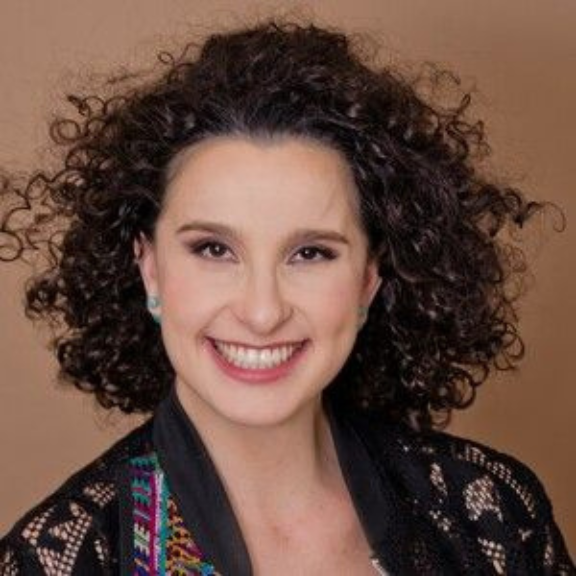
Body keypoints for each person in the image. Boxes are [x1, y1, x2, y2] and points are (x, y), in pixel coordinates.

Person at [0, 18, 573, 575]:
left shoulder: (493, 515)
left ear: (369, 278)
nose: (262, 312)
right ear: (149, 269)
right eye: (213, 249)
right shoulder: (60, 560)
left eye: (311, 253)